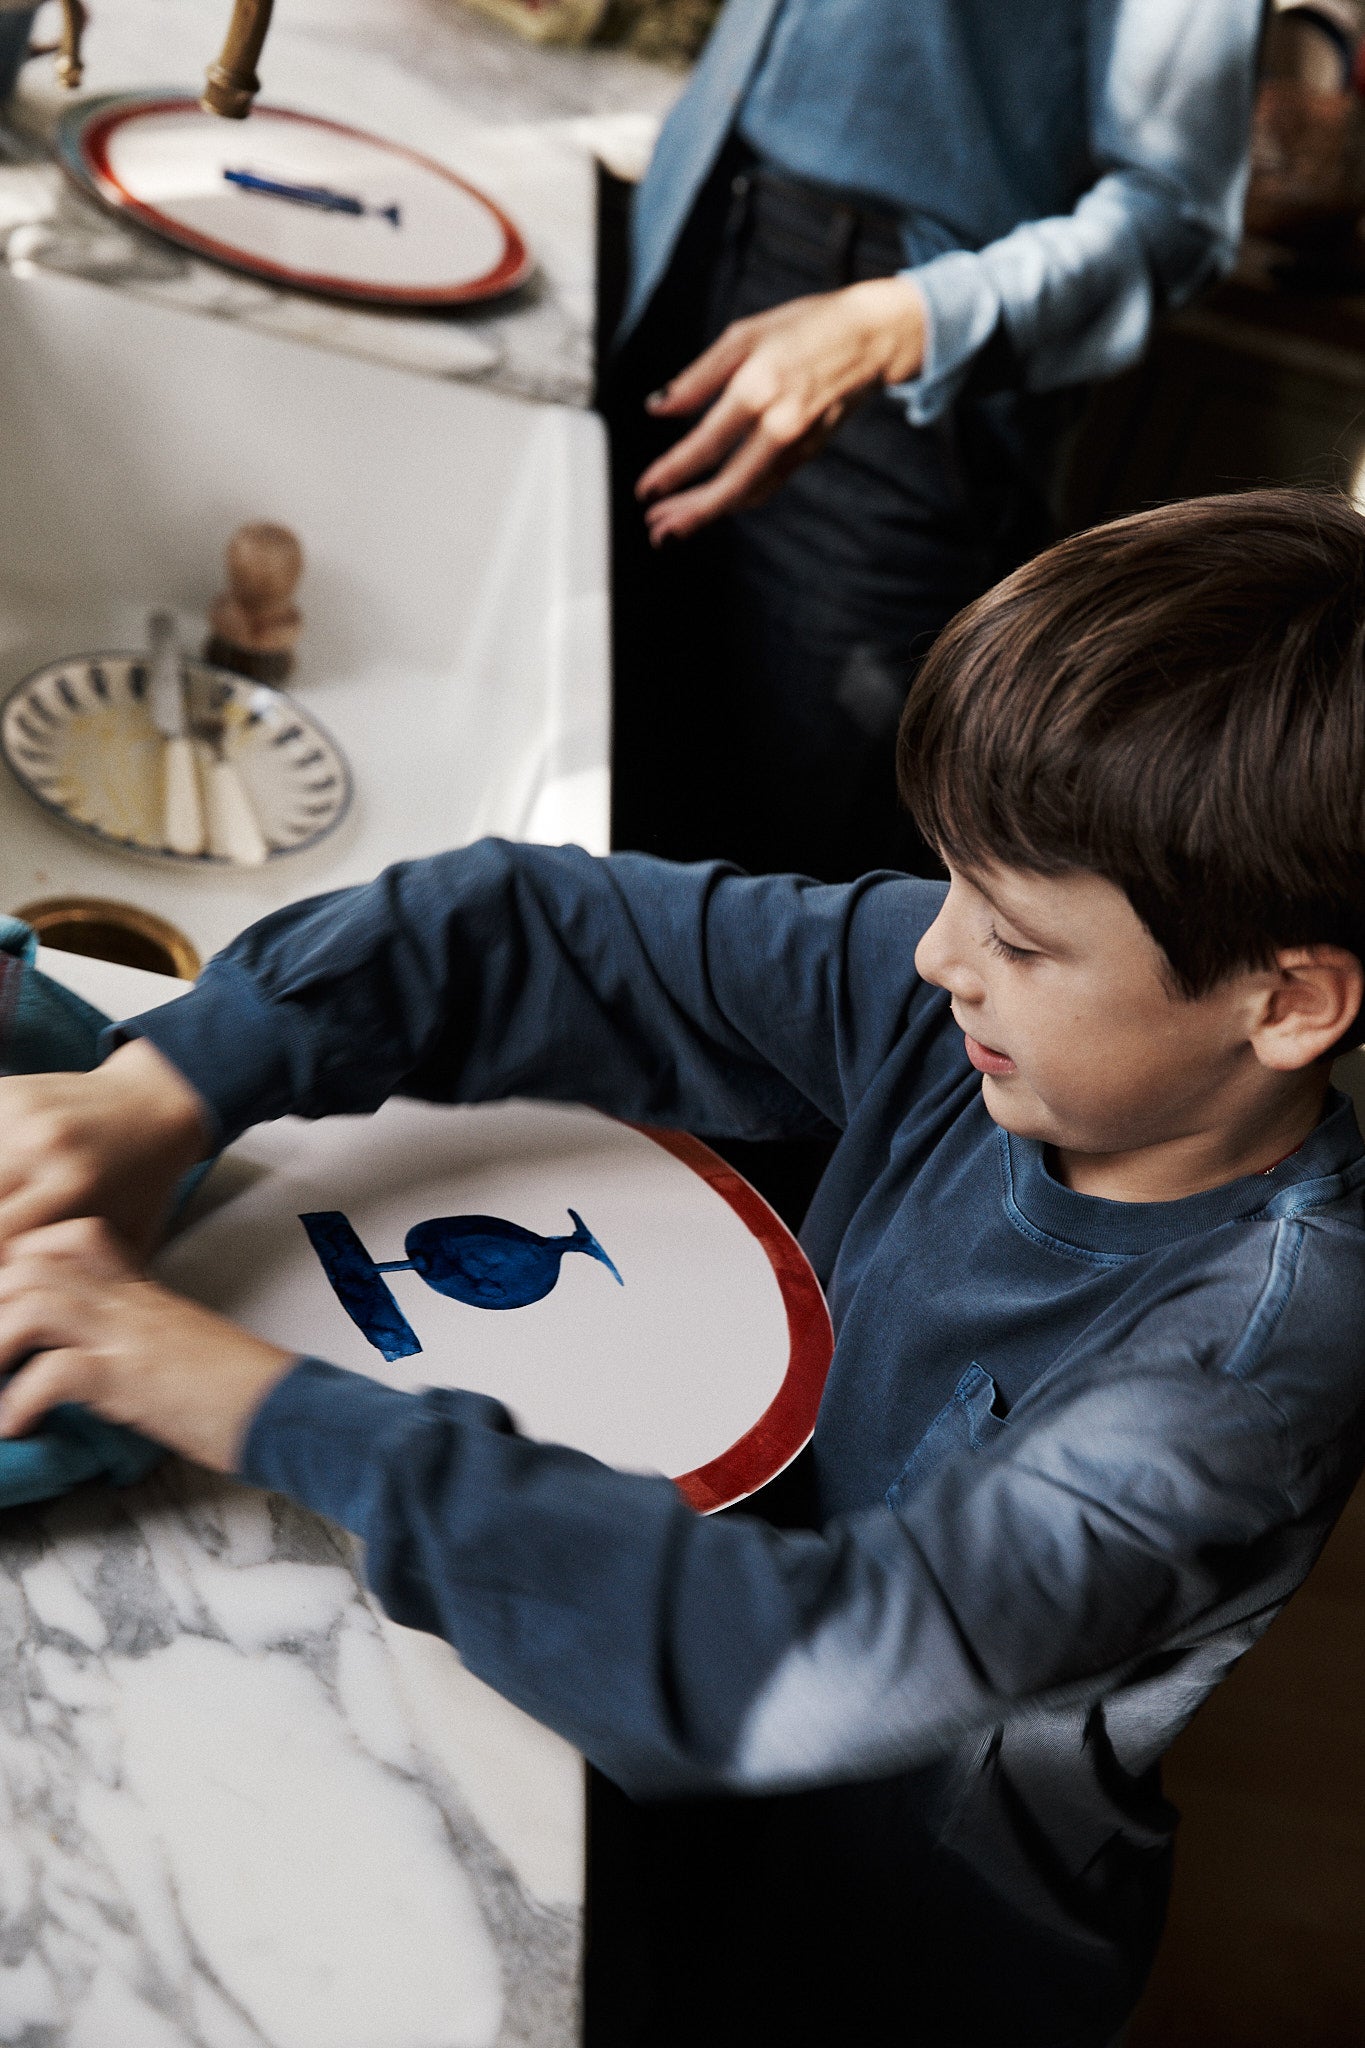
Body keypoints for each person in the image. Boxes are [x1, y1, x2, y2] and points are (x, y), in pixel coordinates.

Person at [0, 489, 1363, 2047]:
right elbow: (542, 926)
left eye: (1020, 935)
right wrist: (164, 1086)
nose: (936, 955)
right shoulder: (990, 1020)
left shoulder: (1259, 1362)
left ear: (1286, 1003)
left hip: (887, 1950)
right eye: (952, 886)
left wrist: (236, 1393)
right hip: (662, 1720)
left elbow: (821, 1658)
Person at [606, 0, 1264, 880]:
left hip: (897, 377)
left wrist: (909, 322)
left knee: (791, 875)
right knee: (606, 781)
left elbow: (1177, 216)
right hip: (688, 237)